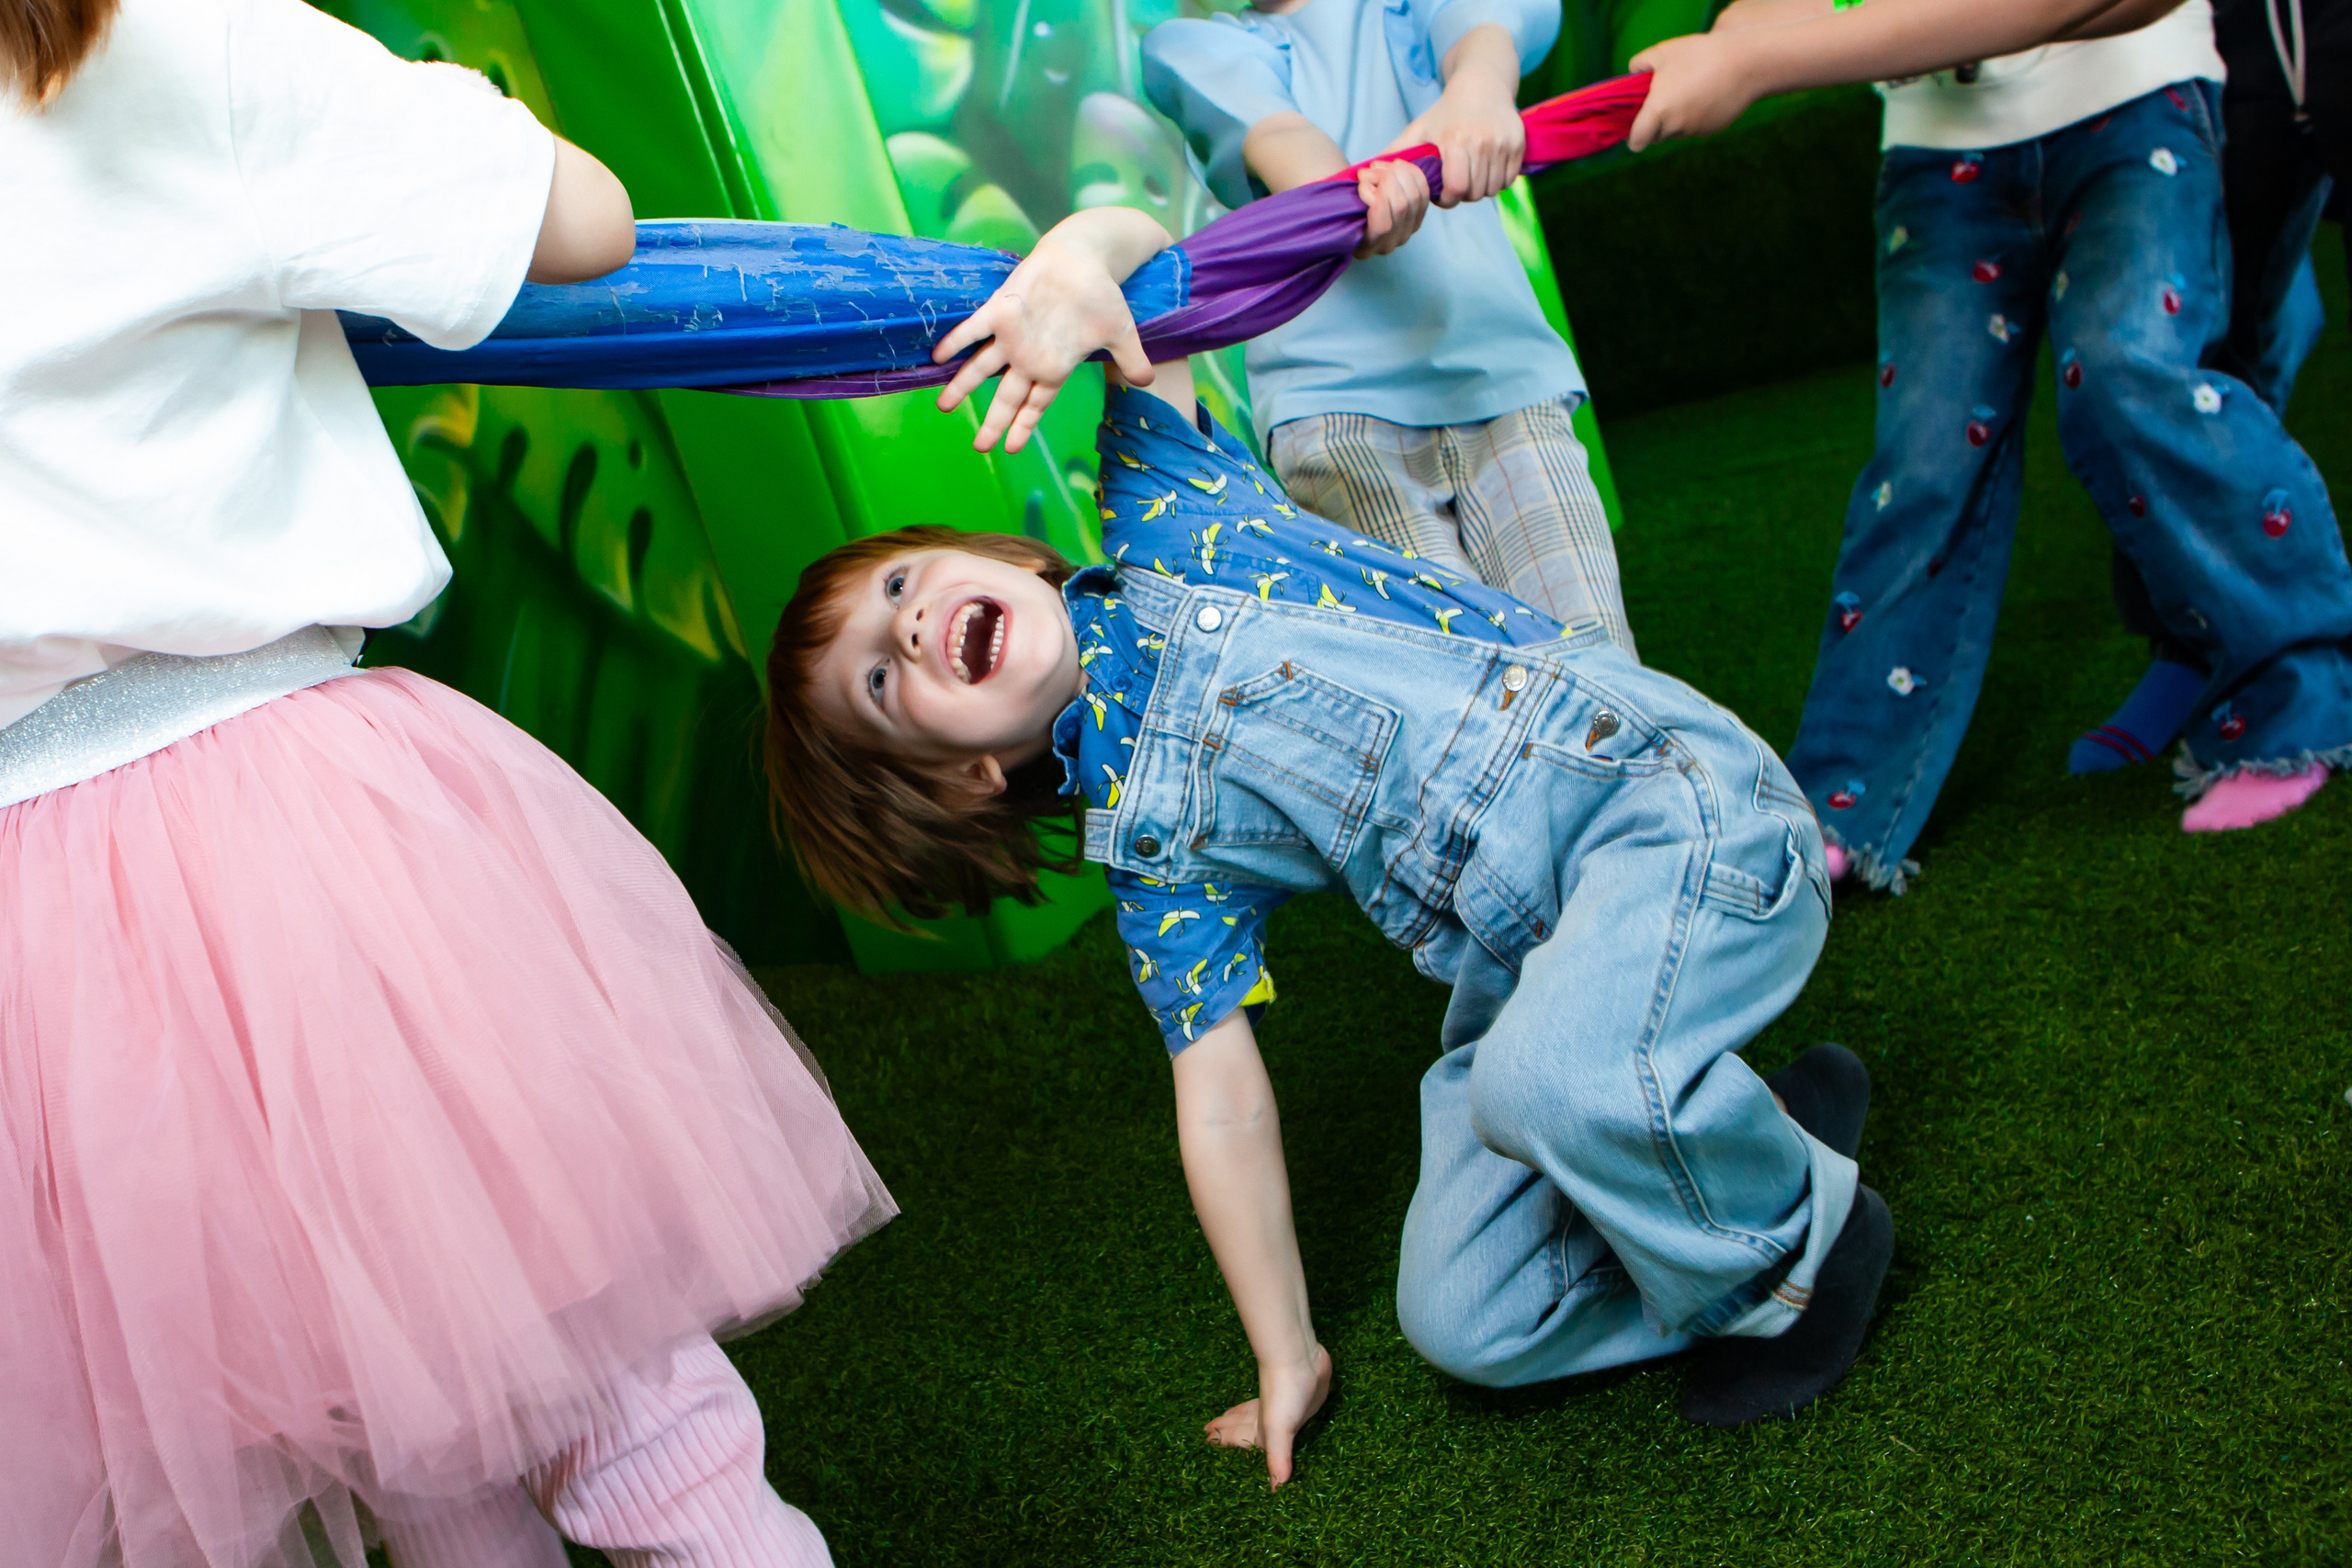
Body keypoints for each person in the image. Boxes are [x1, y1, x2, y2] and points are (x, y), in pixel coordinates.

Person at [764, 204, 1890, 1478]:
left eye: (900, 588)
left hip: (1667, 806)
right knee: (1469, 1318)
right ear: (964, 776)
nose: (906, 630)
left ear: (983, 553)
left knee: (1542, 1081)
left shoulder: (1164, 511)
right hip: (1529, 977)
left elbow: (1155, 263)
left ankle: (1796, 1259)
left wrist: (1076, 265)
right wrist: (1285, 1348)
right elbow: (1224, 1103)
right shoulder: (1154, 854)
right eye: (876, 681)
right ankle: (1746, 1141)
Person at [0, 2, 893, 1564]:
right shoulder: (191, 50)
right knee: (618, 1404)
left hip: (33, 917)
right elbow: (582, 217)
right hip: (281, 816)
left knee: (388, 1425)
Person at [1632, 0, 2352, 888]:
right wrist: (1732, 40)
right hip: (1939, 152)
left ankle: (2295, 697)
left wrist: (1755, 65)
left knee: (2128, 369)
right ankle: (1842, 804)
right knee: (1923, 457)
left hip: (2137, 98)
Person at [1138, 0, 1639, 654]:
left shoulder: (1406, 11)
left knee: (1599, 663)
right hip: (1337, 420)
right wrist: (1349, 194)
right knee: (1458, 679)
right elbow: (1281, 139)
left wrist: (1480, 91)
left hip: (1509, 382)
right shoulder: (1195, 44)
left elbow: (1486, 25)